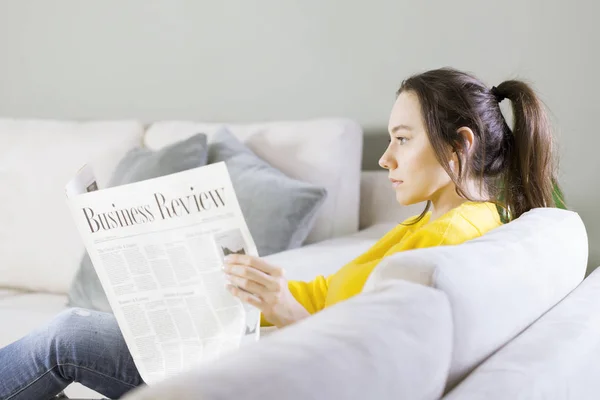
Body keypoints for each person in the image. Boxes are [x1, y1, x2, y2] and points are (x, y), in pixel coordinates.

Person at [0, 67, 559, 400]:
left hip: (260, 362)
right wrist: (270, 287)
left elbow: (358, 352)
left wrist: (286, 310)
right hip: (258, 333)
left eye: (402, 139)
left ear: (459, 145)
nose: (386, 158)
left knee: (66, 337)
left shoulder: (448, 241)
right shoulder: (444, 223)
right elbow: (344, 303)